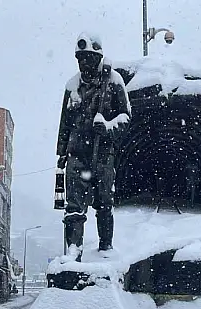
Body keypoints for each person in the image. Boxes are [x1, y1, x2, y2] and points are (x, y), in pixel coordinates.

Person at [56, 32, 131, 261]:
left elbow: (126, 117)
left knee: (104, 203)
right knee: (74, 207)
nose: (83, 63)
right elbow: (65, 123)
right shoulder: (72, 86)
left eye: (87, 58)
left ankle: (105, 247)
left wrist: (108, 127)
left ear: (97, 58)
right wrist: (61, 153)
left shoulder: (114, 82)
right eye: (79, 59)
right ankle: (74, 250)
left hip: (103, 155)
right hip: (77, 155)